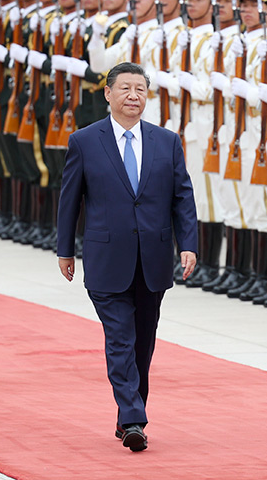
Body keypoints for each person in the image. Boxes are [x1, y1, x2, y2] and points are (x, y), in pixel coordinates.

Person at [56, 62, 198, 452]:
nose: (133, 96)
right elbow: (70, 199)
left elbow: (182, 197)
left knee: (142, 344)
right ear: (108, 94)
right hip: (106, 258)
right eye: (125, 89)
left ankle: (128, 415)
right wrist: (64, 249)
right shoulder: (85, 141)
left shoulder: (166, 141)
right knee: (120, 338)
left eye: (140, 89)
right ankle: (135, 418)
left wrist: (189, 244)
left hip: (152, 260)